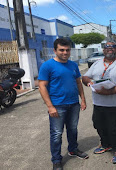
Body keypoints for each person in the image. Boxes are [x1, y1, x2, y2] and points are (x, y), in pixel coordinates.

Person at [38, 38, 88, 170]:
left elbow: (78, 82)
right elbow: (42, 86)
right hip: (57, 106)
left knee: (73, 129)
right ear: (55, 50)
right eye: (61, 50)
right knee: (56, 134)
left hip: (73, 104)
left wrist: (83, 99)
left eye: (67, 50)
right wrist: (50, 106)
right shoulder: (47, 66)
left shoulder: (73, 65)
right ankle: (56, 160)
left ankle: (73, 149)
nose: (65, 52)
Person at [82, 41, 116, 164]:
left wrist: (109, 92)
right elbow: (85, 77)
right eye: (107, 47)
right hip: (99, 102)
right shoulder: (96, 64)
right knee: (98, 124)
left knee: (112, 127)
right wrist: (89, 82)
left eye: (113, 47)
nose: (110, 49)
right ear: (103, 50)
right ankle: (106, 144)